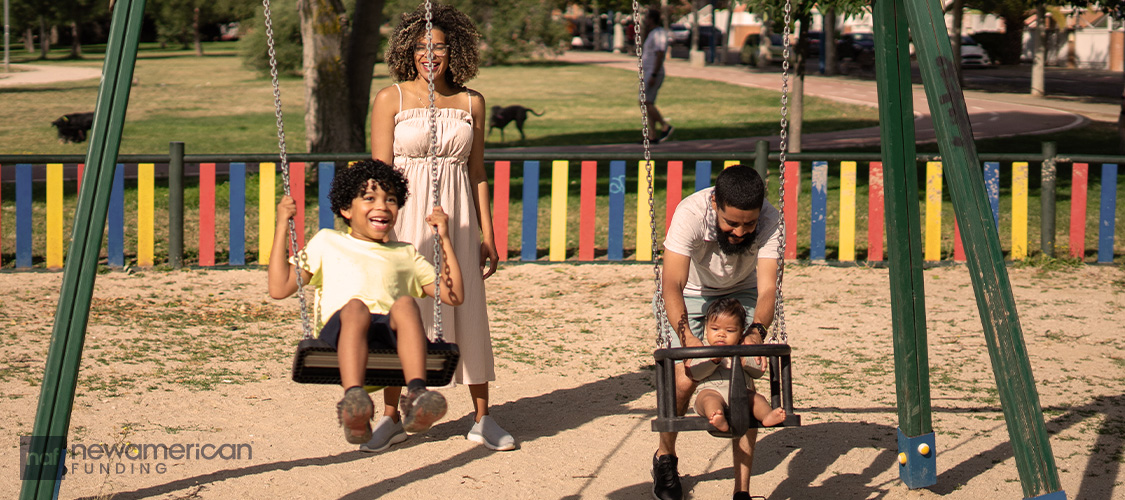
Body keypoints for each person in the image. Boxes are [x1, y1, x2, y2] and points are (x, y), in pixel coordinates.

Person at [369, 4, 515, 452]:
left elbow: (477, 173)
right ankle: (391, 416)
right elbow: (379, 174)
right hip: (405, 220)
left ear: (455, 51)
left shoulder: (472, 102)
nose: (428, 56)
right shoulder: (390, 99)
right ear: (407, 51)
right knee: (403, 309)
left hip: (459, 218)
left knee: (467, 308)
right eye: (420, 48)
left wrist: (488, 234)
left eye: (438, 48)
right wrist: (376, 231)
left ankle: (483, 418)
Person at [267, 159, 463, 446]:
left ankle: (417, 396)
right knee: (356, 307)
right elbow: (279, 287)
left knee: (406, 305)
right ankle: (354, 402)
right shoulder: (327, 241)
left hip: (389, 339)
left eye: (390, 199)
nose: (382, 205)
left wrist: (443, 238)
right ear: (346, 209)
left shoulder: (405, 253)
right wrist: (282, 224)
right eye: (369, 198)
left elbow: (454, 295)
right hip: (343, 333)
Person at [653, 165, 782, 500]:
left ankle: (742, 490)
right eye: (732, 223)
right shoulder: (691, 214)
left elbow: (769, 288)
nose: (740, 232)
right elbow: (672, 284)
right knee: (685, 377)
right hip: (692, 293)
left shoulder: (770, 220)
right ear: (715, 204)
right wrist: (687, 337)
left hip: (743, 292)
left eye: (748, 224)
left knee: (744, 377)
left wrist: (756, 332)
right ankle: (665, 456)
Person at [687, 298, 786, 434]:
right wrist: (712, 360)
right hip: (710, 391)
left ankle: (766, 416)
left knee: (756, 399)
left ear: (741, 333)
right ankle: (717, 417)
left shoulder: (744, 351)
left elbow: (759, 371)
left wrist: (744, 361)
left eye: (730, 330)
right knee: (709, 400)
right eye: (715, 329)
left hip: (741, 394)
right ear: (706, 329)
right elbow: (694, 373)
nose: (721, 334)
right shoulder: (703, 350)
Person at [641, 8, 674, 144]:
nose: (645, 20)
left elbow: (660, 54)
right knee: (648, 103)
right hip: (648, 71)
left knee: (645, 102)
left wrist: (654, 74)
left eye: (647, 18)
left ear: (652, 19)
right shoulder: (652, 33)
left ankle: (665, 125)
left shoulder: (659, 34)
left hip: (654, 72)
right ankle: (652, 135)